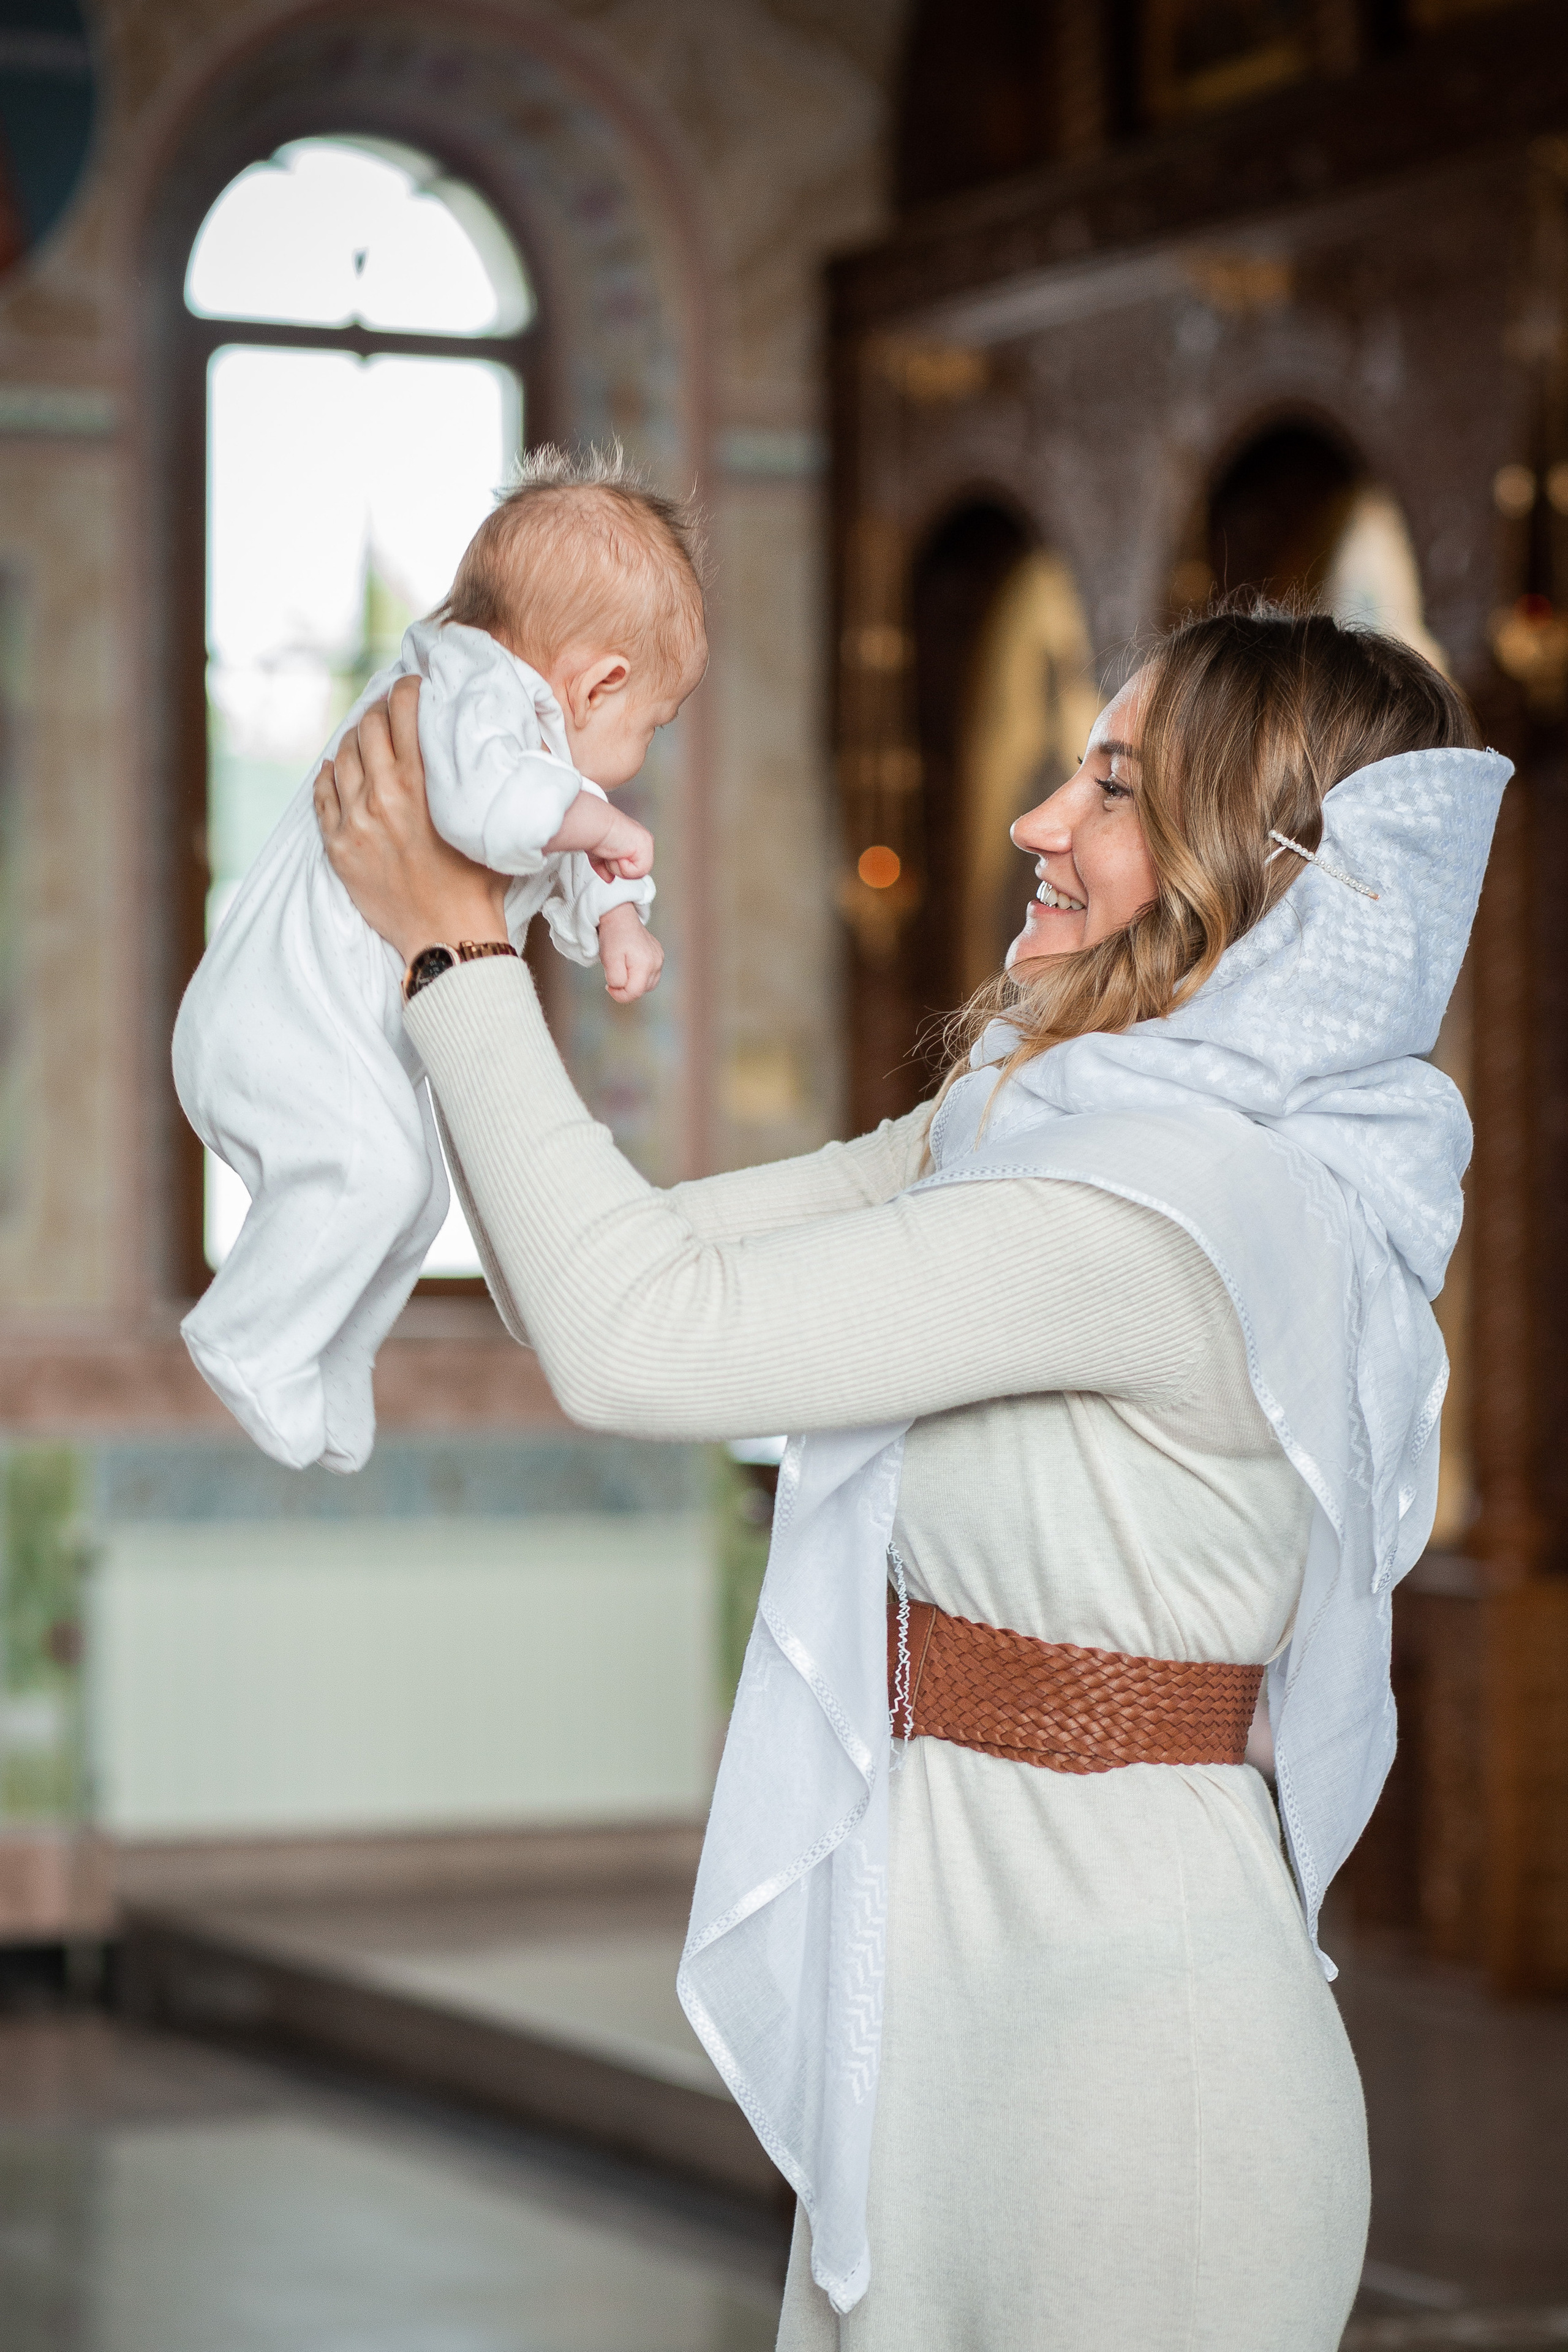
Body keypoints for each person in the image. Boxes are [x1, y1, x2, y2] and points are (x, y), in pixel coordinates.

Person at [313, 603, 1507, 2352]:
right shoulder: (1025, 1130)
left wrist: (456, 957)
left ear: (1240, 878)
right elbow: (597, 1273)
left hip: (1141, 2098)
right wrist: (471, 938)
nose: (1037, 822)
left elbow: (630, 1338)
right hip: (953, 2052)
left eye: (1109, 786)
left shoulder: (1167, 1219)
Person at [176, 447, 704, 1475]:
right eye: (651, 727)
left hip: (322, 1038)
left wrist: (620, 917)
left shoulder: (526, 742)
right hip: (273, 1022)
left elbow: (554, 840)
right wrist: (598, 819)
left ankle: (332, 1354)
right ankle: (245, 1335)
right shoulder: (463, 687)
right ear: (599, 683)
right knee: (374, 1171)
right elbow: (497, 811)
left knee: (411, 1194)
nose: (636, 763)